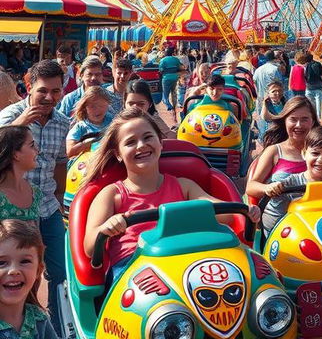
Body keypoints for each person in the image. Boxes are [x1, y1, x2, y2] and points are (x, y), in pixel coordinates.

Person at [83, 110, 260, 279]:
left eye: (148, 137)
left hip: (187, 258)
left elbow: (226, 215)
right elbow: (90, 247)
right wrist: (108, 227)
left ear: (160, 142)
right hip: (136, 266)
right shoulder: (112, 194)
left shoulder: (184, 186)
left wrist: (248, 211)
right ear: (118, 154)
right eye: (130, 142)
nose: (141, 145)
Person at [0, 60, 70, 336]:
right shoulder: (9, 116)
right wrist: (19, 125)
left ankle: (51, 327)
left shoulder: (63, 122)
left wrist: (60, 195)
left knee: (57, 272)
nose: (50, 98)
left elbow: (61, 162)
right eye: (43, 91)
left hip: (47, 207)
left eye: (56, 91)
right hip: (11, 213)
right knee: (14, 273)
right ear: (28, 88)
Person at [247, 97, 322, 204]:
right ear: (285, 121)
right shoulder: (274, 151)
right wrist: (267, 188)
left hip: (318, 217)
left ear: (313, 122)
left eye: (305, 119)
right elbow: (251, 186)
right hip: (284, 221)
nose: (299, 125)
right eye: (293, 119)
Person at [0, 220, 58, 339]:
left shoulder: (39, 319)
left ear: (38, 270)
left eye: (25, 261)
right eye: (2, 262)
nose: (14, 270)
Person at [0, 127, 40, 222]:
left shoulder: (35, 192)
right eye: (32, 145)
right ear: (15, 154)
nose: (37, 150)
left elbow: (36, 234)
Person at [66, 87, 113, 158]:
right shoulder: (80, 127)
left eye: (101, 106)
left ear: (108, 105)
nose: (97, 110)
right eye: (92, 106)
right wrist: (91, 143)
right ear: (85, 108)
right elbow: (70, 152)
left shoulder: (113, 123)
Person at [254, 52, 283, 140]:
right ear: (273, 58)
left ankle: (262, 138)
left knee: (262, 121)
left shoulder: (258, 69)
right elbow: (279, 83)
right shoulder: (274, 69)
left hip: (260, 97)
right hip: (272, 98)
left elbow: (254, 82)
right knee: (274, 122)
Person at [303, 53, 322, 120]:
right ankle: (319, 117)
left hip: (309, 86)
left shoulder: (306, 65)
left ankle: (313, 115)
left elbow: (305, 76)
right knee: (319, 101)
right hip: (318, 85)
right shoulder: (318, 64)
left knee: (311, 102)